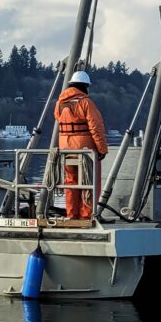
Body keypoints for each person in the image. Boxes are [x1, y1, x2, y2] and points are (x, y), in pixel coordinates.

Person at [54, 70, 108, 220]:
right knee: (89, 181)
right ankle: (86, 216)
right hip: (85, 149)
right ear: (85, 86)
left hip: (65, 148)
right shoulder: (85, 102)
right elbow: (96, 127)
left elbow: (58, 119)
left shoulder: (59, 103)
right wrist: (102, 149)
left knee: (71, 182)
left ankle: (72, 215)